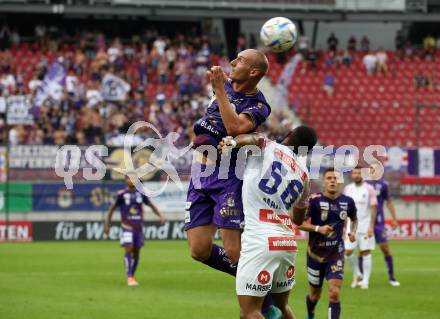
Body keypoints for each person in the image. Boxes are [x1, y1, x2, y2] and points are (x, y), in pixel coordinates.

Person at [185, 49, 276, 317]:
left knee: (234, 252)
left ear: (254, 72)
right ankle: (261, 283)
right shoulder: (224, 87)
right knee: (199, 250)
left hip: (228, 176)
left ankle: (264, 301)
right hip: (200, 174)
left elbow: (237, 128)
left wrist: (220, 91)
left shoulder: (259, 105)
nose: (233, 62)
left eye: (241, 61)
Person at [218, 125, 317, 319]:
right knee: (282, 307)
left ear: (289, 135)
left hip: (260, 239)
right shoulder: (305, 175)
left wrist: (232, 142)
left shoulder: (269, 145)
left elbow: (252, 140)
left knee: (249, 312)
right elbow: (298, 219)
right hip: (287, 242)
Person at [299, 168, 357, 319]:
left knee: (334, 292)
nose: (333, 181)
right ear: (324, 182)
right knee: (314, 295)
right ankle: (311, 312)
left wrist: (352, 231)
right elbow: (299, 223)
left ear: (340, 182)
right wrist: (318, 228)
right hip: (315, 255)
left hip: (335, 254)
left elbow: (354, 218)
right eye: (329, 178)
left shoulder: (348, 202)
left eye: (335, 178)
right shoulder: (314, 200)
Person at [104, 172, 166, 286]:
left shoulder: (141, 194)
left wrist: (160, 216)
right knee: (129, 248)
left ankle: (132, 274)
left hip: (138, 228)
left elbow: (151, 205)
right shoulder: (121, 194)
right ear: (125, 180)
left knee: (136, 252)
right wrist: (107, 224)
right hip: (127, 227)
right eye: (129, 178)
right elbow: (111, 209)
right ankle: (129, 277)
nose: (131, 180)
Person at [364, 163, 400, 286]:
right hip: (365, 221)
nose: (373, 170)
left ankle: (392, 277)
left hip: (379, 221)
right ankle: (361, 277)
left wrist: (394, 219)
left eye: (375, 168)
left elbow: (389, 202)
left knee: (385, 248)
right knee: (364, 249)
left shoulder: (383, 184)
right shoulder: (363, 184)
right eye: (371, 168)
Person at [343, 166, 377, 289]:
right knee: (347, 252)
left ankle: (365, 281)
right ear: (352, 175)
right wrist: (344, 226)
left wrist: (371, 227)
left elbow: (373, 208)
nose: (357, 175)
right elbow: (344, 209)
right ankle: (358, 274)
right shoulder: (348, 189)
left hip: (365, 225)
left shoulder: (369, 189)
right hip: (351, 227)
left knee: (365, 252)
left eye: (359, 173)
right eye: (355, 173)